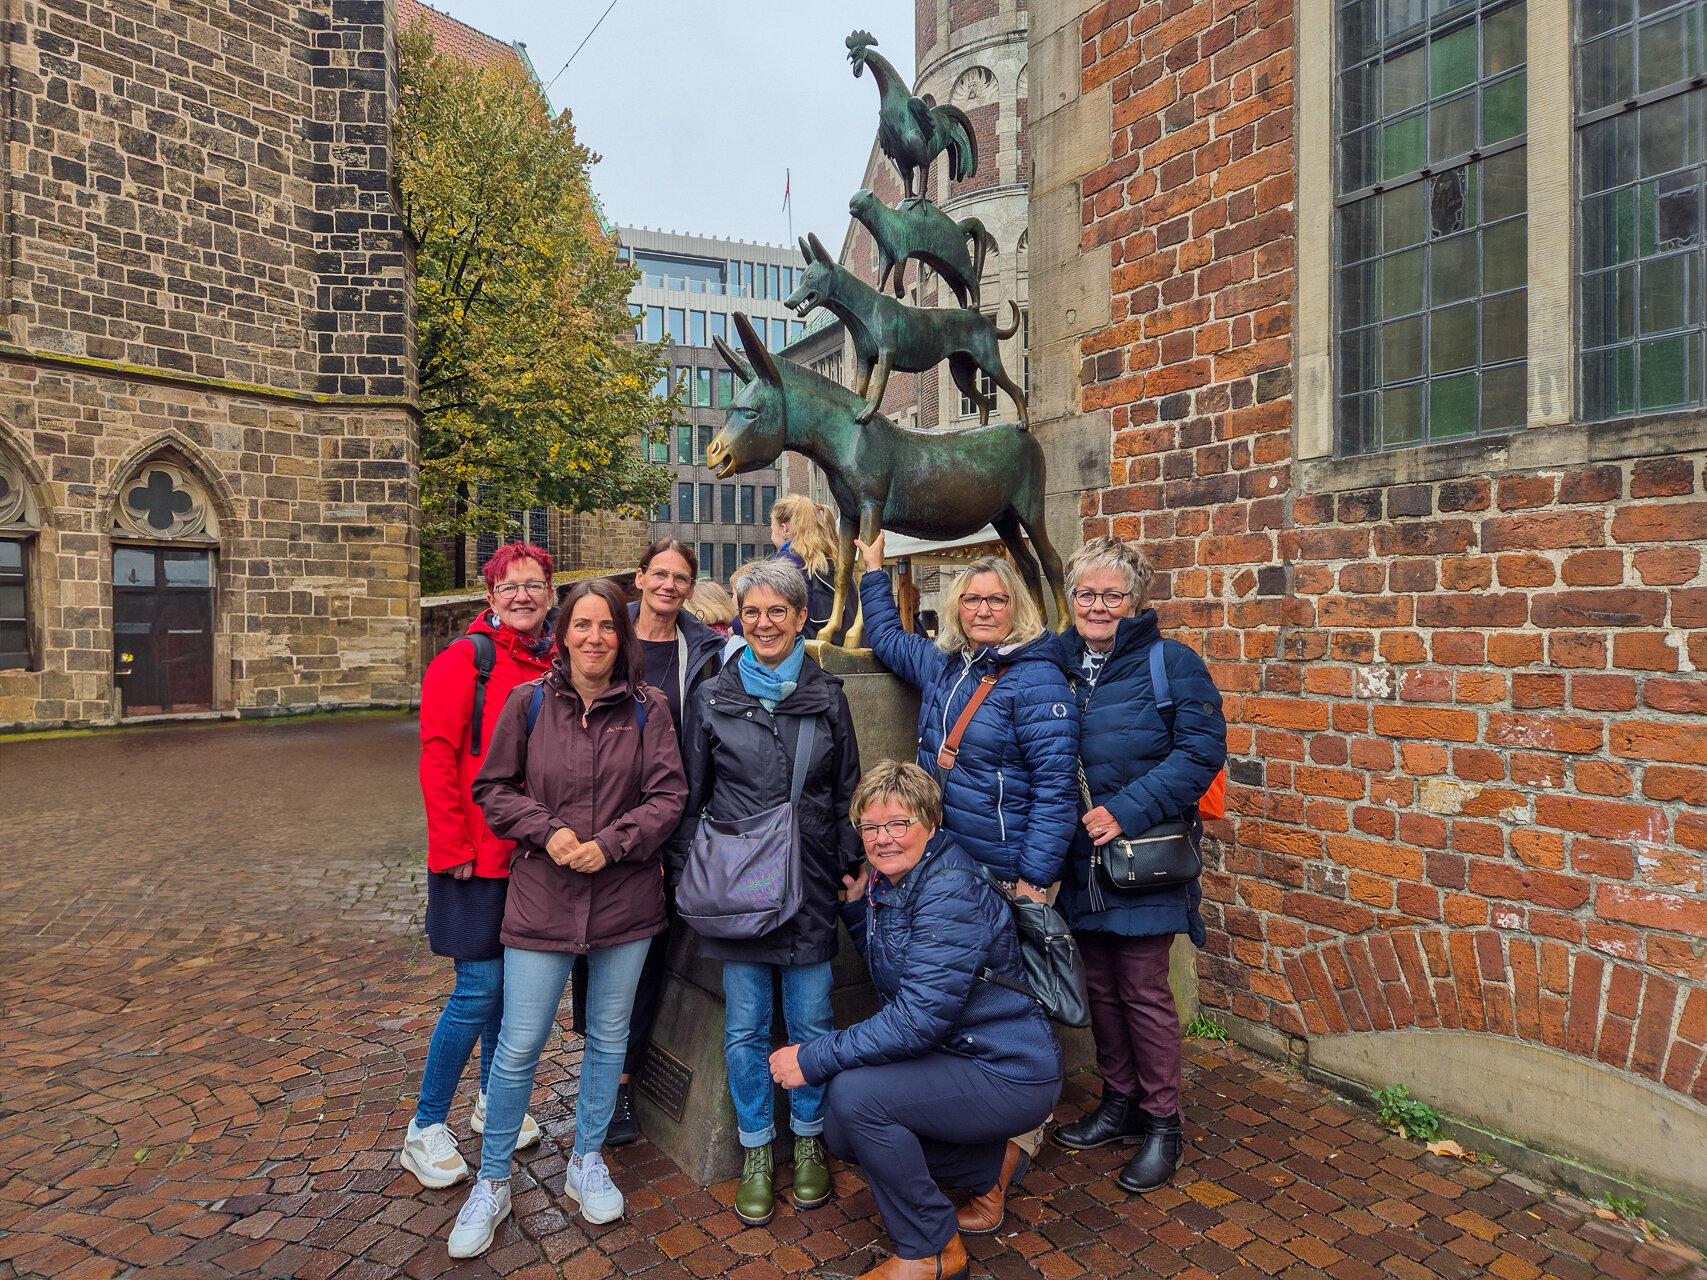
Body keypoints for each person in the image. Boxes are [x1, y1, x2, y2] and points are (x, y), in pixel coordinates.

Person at [447, 580, 688, 1256]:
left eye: (606, 626)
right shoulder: (527, 703)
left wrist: (611, 844)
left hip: (625, 896)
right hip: (542, 895)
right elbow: (492, 787)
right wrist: (546, 833)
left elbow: (669, 795)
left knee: (609, 1038)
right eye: (581, 625)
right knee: (519, 1043)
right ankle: (492, 1180)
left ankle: (586, 1158)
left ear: (623, 635)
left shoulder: (650, 709)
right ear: (563, 633)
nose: (594, 638)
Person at [770, 762, 1064, 1280]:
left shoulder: (948, 888)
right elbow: (902, 967)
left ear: (931, 822)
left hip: (1006, 1068)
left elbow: (917, 1020)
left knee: (857, 1099)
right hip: (960, 1055)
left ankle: (930, 1250)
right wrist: (861, 912)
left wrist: (813, 1057)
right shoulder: (896, 882)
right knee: (841, 1127)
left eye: (898, 824)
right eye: (871, 827)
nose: (883, 839)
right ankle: (986, 1169)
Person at [670, 559, 862, 1226]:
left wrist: (848, 862)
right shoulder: (712, 698)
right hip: (739, 891)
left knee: (811, 1023)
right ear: (739, 619)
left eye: (777, 610)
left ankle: (808, 1142)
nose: (764, 622)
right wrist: (686, 879)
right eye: (752, 611)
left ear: (800, 616)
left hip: (807, 887)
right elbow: (691, 800)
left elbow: (846, 798)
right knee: (746, 1026)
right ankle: (757, 1149)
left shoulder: (828, 696)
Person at [1051, 537, 1226, 1193]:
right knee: (1098, 986)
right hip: (1079, 862)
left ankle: (1161, 1123)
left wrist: (1124, 810)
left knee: (1143, 991)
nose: (1098, 606)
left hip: (1141, 856)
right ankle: (1119, 1102)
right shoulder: (1057, 666)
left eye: (1111, 595)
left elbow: (1199, 752)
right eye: (1086, 594)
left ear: (1135, 601)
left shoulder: (1169, 663)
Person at [404, 544, 556, 1190]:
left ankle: (494, 1101)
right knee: (478, 992)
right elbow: (438, 761)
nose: (522, 596)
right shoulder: (462, 662)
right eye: (510, 587)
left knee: (508, 994)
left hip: (527, 860)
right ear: (489, 598)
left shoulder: (552, 665)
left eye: (534, 586)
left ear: (549, 595)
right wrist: (453, 847)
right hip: (473, 859)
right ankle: (424, 1126)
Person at [567, 539, 726, 1145]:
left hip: (663, 820)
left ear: (690, 586)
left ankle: (622, 1087)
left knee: (646, 962)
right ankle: (597, 1069)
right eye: (659, 573)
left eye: (680, 576)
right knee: (591, 955)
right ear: (639, 577)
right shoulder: (607, 631)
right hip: (593, 821)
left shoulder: (703, 651)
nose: (668, 584)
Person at [769, 495, 838, 638]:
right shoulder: (832, 559)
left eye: (772, 529)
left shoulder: (782, 564)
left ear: (784, 528)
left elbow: (765, 612)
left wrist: (737, 625)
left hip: (801, 648)